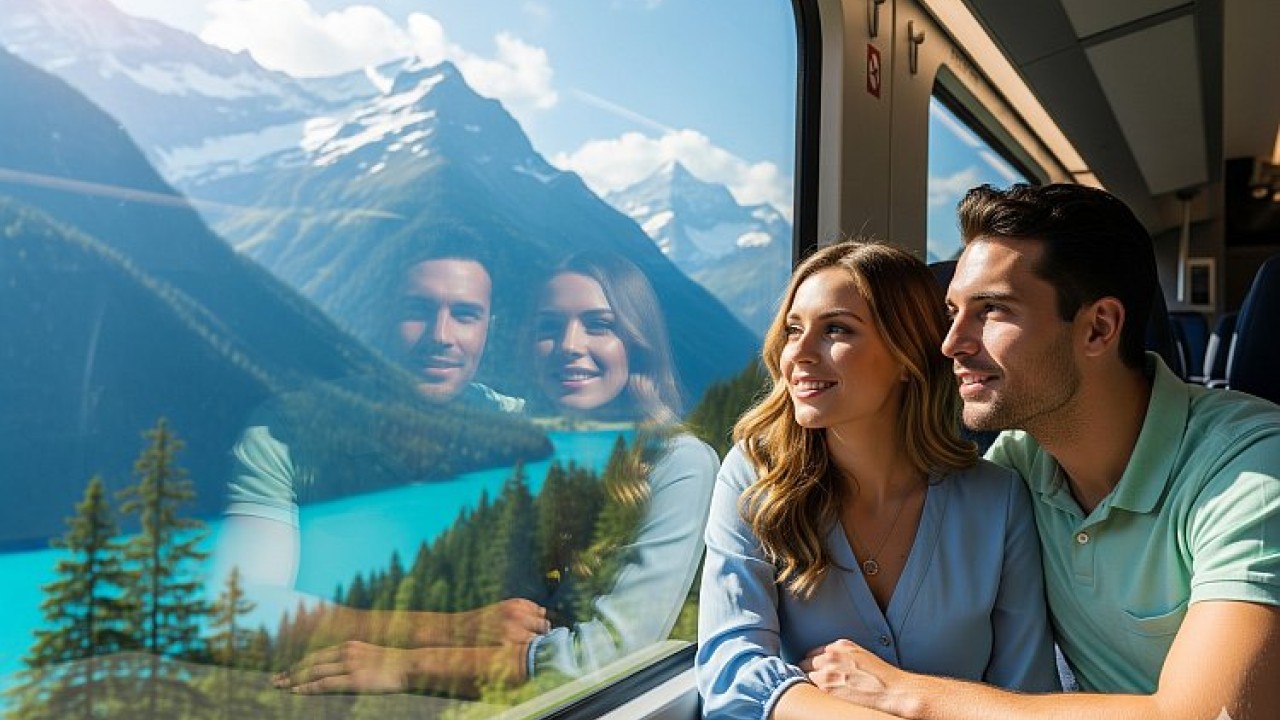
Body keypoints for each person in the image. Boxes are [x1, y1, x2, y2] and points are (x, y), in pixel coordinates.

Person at [800, 184, 1280, 720]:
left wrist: (904, 693)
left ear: (1098, 328)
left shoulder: (1251, 468)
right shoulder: (1017, 468)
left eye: (992, 310)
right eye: (953, 312)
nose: (951, 343)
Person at [277, 250, 719, 694]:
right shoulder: (514, 446)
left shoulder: (677, 464)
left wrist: (404, 666)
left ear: (638, 345)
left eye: (599, 325)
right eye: (549, 327)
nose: (569, 345)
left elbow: (604, 656)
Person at [697, 240, 1059, 720]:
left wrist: (898, 695)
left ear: (906, 356)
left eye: (836, 329)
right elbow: (732, 674)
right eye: (793, 329)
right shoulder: (754, 478)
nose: (798, 353)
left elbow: (1028, 696)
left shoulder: (999, 501)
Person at [212, 237, 539, 647]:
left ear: (489, 329)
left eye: (465, 315)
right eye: (418, 311)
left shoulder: (523, 430)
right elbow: (243, 608)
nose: (440, 335)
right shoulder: (286, 432)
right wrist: (453, 630)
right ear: (381, 318)